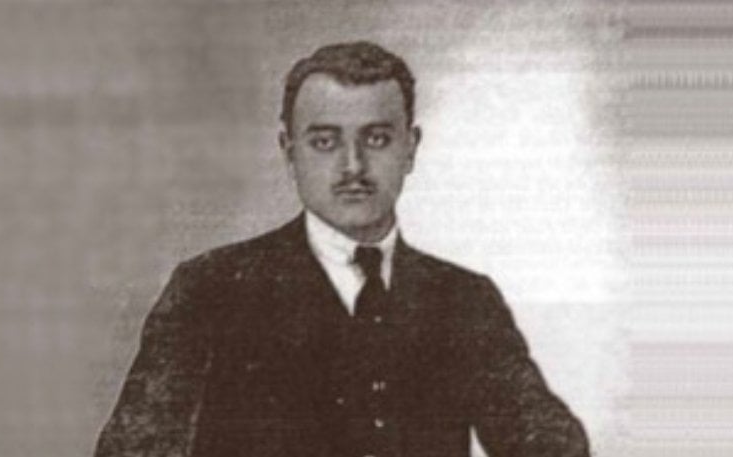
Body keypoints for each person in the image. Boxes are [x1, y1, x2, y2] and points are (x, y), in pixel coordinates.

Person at [94, 41, 589, 457]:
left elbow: (552, 446)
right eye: (325, 142)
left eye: (376, 138)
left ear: (411, 148)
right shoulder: (211, 290)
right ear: (289, 151)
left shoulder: (464, 301)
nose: (353, 166)